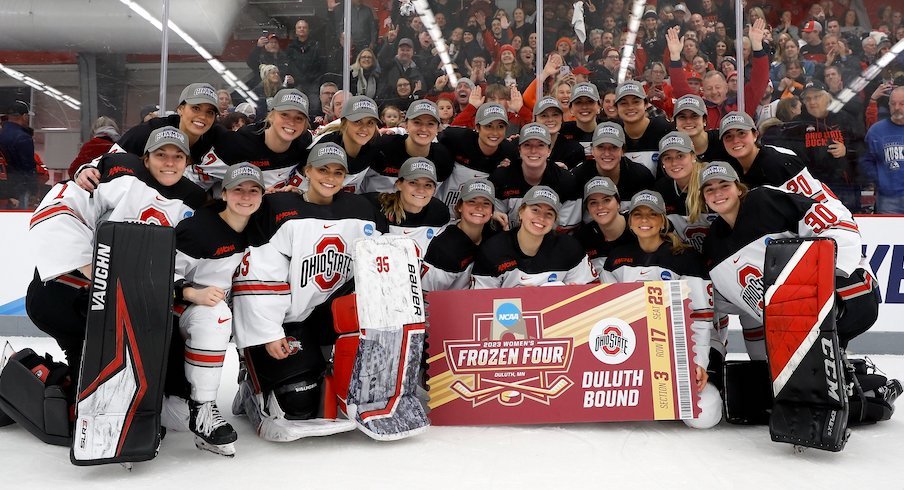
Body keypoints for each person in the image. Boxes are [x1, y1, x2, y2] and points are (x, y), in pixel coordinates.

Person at [27, 127, 207, 402]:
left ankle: (64, 386)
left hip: (123, 304)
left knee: (128, 375)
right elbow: (58, 208)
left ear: (187, 162)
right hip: (65, 295)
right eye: (161, 155)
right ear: (145, 158)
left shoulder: (193, 200)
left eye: (178, 156)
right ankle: (42, 380)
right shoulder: (117, 172)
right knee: (89, 370)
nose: (170, 162)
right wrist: (91, 267)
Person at [231, 142, 388, 441]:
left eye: (338, 172)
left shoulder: (362, 210)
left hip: (338, 318)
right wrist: (270, 332)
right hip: (292, 318)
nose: (330, 177)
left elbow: (380, 265)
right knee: (298, 400)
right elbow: (258, 273)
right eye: (322, 169)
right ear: (306, 171)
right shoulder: (279, 209)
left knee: (369, 387)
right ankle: (251, 383)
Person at [697, 161, 878, 367]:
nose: (717, 193)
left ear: (739, 189)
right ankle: (869, 386)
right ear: (704, 198)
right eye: (710, 189)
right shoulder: (713, 243)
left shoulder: (764, 200)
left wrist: (832, 271)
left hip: (847, 295)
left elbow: (830, 220)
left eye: (724, 185)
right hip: (793, 327)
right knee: (817, 377)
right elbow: (726, 299)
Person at [602, 190, 720, 429]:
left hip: (681, 350)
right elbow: (609, 316)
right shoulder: (615, 259)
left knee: (703, 416)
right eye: (638, 214)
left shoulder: (685, 257)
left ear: (663, 220)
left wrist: (698, 364)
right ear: (630, 220)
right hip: (637, 350)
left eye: (652, 214)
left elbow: (700, 317)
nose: (644, 220)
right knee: (614, 410)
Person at [172, 163, 264, 456]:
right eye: (238, 189)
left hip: (226, 307)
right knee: (217, 313)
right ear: (224, 193)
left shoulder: (260, 226)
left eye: (254, 190)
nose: (246, 196)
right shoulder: (198, 229)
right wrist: (189, 292)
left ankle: (252, 385)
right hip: (182, 312)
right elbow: (157, 273)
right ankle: (203, 409)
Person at [74, 83, 225, 192]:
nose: (202, 116)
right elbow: (107, 160)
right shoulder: (148, 132)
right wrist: (87, 169)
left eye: (210, 112)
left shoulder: (217, 143)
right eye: (196, 108)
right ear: (180, 109)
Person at [471, 185, 597, 288]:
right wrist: (527, 299)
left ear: (554, 221)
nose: (541, 218)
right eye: (535, 210)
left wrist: (575, 294)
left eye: (549, 214)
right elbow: (481, 303)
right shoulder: (494, 249)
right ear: (520, 212)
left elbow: (592, 291)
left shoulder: (569, 248)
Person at [193, 89, 313, 192]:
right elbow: (196, 175)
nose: (291, 122)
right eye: (284, 115)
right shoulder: (239, 144)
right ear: (271, 116)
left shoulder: (305, 142)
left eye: (299, 118)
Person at [491, 123, 580, 231]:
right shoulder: (501, 177)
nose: (533, 151)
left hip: (551, 244)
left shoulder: (566, 181)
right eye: (527, 145)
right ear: (519, 150)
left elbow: (565, 231)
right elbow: (497, 225)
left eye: (540, 145)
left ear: (549, 151)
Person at [436, 102, 518, 209]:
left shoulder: (509, 151)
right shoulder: (457, 138)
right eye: (488, 126)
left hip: (477, 216)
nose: (495, 132)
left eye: (500, 127)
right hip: (443, 211)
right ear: (477, 127)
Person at [421, 178, 498, 292]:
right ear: (460, 206)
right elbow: (426, 296)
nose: (479, 207)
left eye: (486, 203)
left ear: (492, 211)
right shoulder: (444, 248)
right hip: (447, 306)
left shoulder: (493, 236)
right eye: (472, 201)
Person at [364, 157, 450, 253]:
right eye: (413, 183)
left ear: (434, 190)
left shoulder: (439, 213)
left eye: (428, 185)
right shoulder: (374, 207)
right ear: (399, 184)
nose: (421, 190)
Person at [368, 99, 453, 193]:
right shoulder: (383, 147)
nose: (424, 129)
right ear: (406, 126)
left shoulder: (442, 158)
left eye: (430, 124)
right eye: (417, 122)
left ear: (437, 129)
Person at [572, 122, 655, 209]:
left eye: (614, 147)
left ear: (623, 151)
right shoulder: (578, 176)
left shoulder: (641, 176)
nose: (607, 153)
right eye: (600, 147)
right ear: (592, 150)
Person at [613, 81, 673, 178]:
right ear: (617, 108)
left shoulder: (663, 128)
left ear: (645, 104)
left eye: (636, 102)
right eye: (624, 103)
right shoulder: (613, 132)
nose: (630, 107)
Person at [573, 176, 633, 272]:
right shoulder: (582, 238)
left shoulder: (636, 228)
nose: (600, 207)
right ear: (588, 209)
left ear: (618, 203)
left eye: (606, 200)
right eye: (593, 203)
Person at [861, 86, 904, 213]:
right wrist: (881, 181)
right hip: (888, 199)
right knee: (888, 232)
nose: (897, 107)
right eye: (893, 104)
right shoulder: (876, 131)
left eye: (902, 103)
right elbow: (866, 161)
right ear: (889, 105)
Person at [0, 100, 36, 208]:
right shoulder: (23, 138)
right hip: (18, 190)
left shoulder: (1, 134)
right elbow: (28, 167)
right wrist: (33, 190)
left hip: (2, 189)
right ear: (24, 116)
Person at [533, 97, 584, 169]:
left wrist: (565, 174)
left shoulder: (574, 150)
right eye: (544, 115)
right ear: (535, 119)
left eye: (555, 115)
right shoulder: (521, 147)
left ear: (561, 119)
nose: (550, 119)